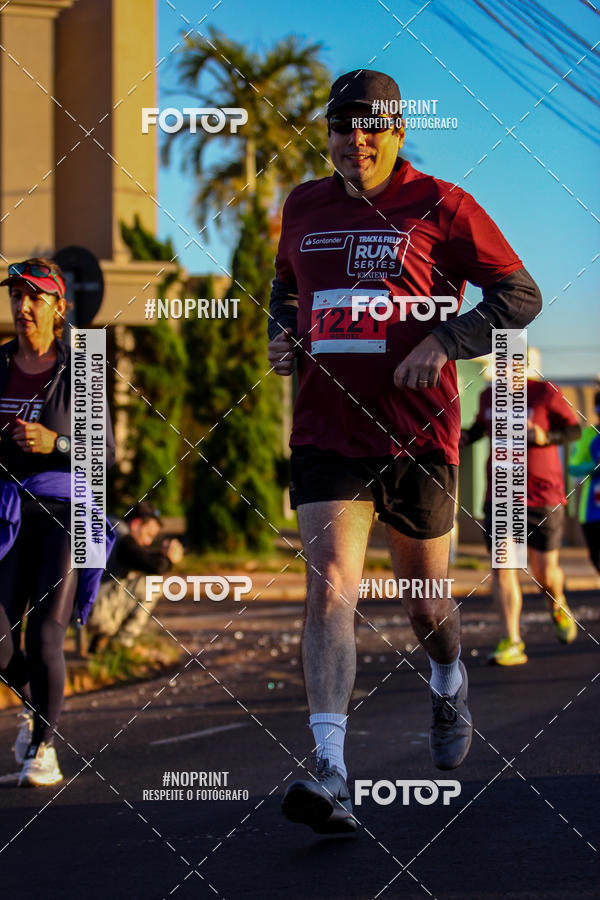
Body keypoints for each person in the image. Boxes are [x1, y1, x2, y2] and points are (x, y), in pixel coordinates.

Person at [267, 69, 542, 834]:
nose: (355, 139)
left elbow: (520, 296)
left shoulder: (441, 203)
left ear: (395, 131)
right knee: (330, 589)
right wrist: (279, 332)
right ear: (326, 134)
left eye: (370, 126)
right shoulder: (302, 205)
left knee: (426, 603)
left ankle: (449, 675)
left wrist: (445, 339)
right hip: (327, 430)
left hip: (418, 434)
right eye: (340, 126)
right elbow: (283, 286)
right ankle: (330, 772)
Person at [0, 258, 115, 786]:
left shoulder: (84, 365)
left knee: (47, 632)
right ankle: (36, 704)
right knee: (5, 645)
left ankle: (44, 749)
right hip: (6, 511)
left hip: (65, 512)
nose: (23, 307)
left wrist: (56, 443)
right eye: (16, 296)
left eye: (35, 297)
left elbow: (105, 456)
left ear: (58, 307)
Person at [461, 364, 581, 665]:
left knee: (543, 572)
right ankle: (512, 640)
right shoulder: (488, 397)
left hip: (543, 495)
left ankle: (557, 603)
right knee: (503, 565)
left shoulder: (544, 392)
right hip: (501, 494)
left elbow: (573, 429)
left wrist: (544, 436)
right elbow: (476, 431)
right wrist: (451, 437)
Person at [86, 501, 184, 651]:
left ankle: (103, 641)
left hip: (83, 604)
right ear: (136, 524)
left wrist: (162, 557)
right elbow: (154, 565)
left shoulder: (111, 526)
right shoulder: (122, 539)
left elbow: (141, 558)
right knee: (153, 584)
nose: (148, 541)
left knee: (132, 576)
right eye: (149, 535)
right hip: (94, 614)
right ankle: (120, 645)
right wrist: (169, 558)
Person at [568, 389, 600, 576]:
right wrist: (595, 466)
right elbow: (573, 468)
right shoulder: (589, 436)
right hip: (592, 512)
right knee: (596, 558)